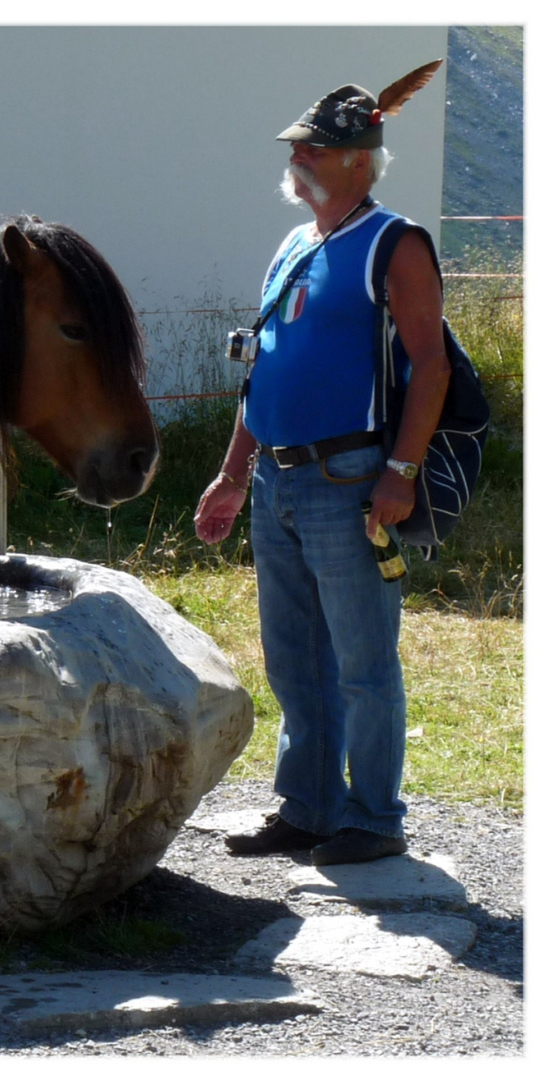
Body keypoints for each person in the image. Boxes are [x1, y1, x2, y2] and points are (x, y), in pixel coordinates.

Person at [194, 63, 450, 866]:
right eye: (299, 144)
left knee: (364, 664)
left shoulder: (395, 243)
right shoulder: (292, 245)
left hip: (350, 481)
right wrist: (234, 475)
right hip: (276, 480)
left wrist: (400, 473)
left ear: (356, 159)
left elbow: (430, 367)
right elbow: (260, 369)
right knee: (294, 656)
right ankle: (306, 809)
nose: (296, 156)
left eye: (313, 146)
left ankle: (373, 819)